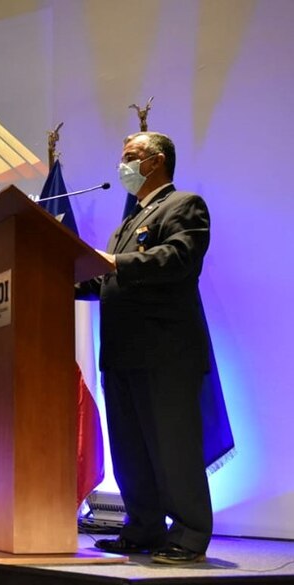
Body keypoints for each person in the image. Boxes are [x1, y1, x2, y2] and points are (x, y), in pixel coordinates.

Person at [76, 131, 213, 564]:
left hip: (165, 352)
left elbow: (178, 258)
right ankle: (143, 527)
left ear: (155, 162)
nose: (123, 166)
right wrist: (57, 278)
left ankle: (189, 534)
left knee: (173, 446)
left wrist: (116, 261)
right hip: (123, 354)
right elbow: (106, 280)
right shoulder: (126, 223)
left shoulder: (184, 205)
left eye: (130, 157)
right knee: (131, 449)